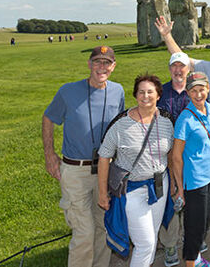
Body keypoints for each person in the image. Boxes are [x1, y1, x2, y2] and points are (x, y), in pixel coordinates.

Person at [155, 16, 210, 236]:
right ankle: (208, 221)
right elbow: (181, 59)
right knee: (209, 174)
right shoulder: (205, 67)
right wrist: (167, 35)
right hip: (207, 131)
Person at [42, 45, 125, 267]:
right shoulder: (68, 92)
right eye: (97, 62)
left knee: (102, 228)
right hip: (75, 172)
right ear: (89, 64)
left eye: (106, 63)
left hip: (105, 171)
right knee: (84, 233)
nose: (101, 67)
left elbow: (120, 129)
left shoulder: (118, 92)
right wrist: (50, 155)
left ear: (113, 66)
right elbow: (49, 118)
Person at [97, 74, 174, 267]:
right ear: (135, 95)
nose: (145, 96)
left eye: (150, 92)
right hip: (132, 189)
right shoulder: (121, 124)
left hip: (159, 185)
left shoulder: (166, 121)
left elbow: (170, 154)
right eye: (141, 92)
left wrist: (176, 184)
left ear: (158, 95)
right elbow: (104, 157)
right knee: (145, 243)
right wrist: (101, 193)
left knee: (153, 235)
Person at [170, 72, 210, 267]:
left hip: (209, 176)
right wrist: (180, 189)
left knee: (204, 223)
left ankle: (198, 261)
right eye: (193, 90)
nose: (198, 94)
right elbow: (176, 157)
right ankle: (191, 263)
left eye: (201, 89)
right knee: (194, 229)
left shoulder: (208, 109)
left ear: (208, 89)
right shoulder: (185, 119)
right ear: (187, 92)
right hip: (194, 182)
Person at [156, 52, 191, 267]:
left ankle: (190, 236)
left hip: (190, 155)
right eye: (174, 67)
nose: (178, 71)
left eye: (182, 67)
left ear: (188, 69)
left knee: (190, 196)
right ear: (170, 69)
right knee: (170, 198)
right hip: (165, 155)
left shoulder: (195, 92)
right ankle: (170, 243)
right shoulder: (160, 93)